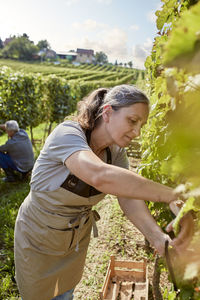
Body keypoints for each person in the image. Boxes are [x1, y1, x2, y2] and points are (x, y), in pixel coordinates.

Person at [14, 85, 193, 300]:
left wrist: (159, 239)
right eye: (132, 120)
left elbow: (129, 199)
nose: (137, 132)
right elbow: (99, 175)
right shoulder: (67, 134)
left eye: (141, 125)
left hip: (74, 241)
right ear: (107, 112)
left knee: (64, 292)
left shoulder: (116, 153)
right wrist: (172, 194)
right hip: (38, 238)